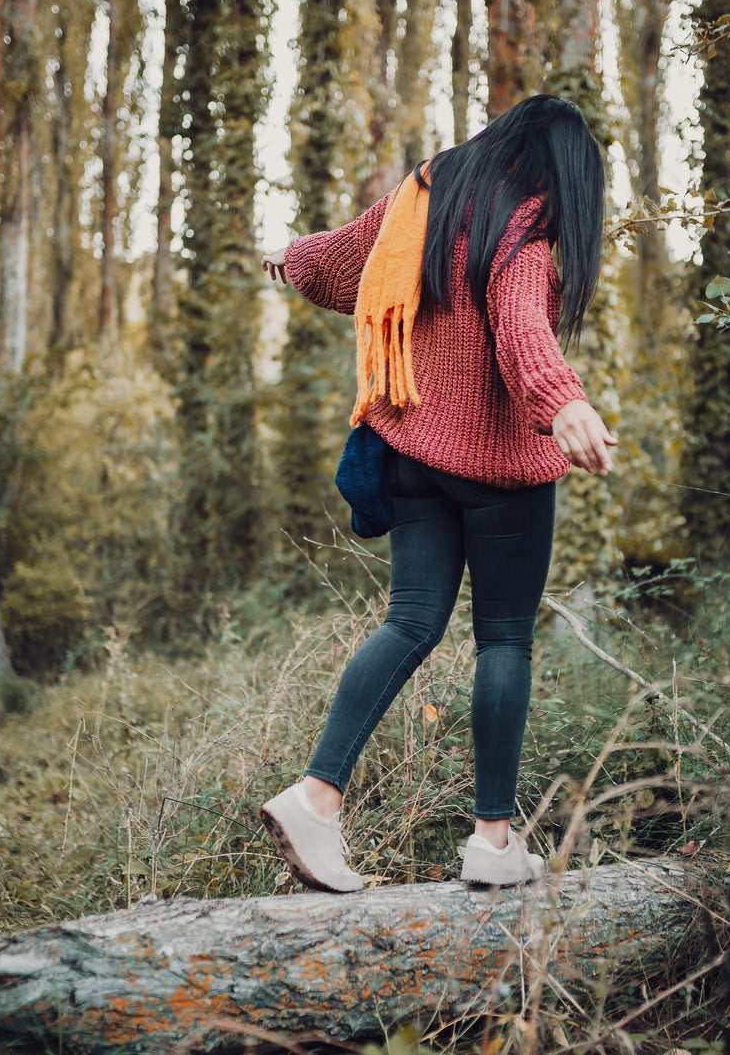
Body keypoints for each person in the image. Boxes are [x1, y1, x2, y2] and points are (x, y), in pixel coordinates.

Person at [257, 94, 617, 892]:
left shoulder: (425, 194)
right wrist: (566, 401)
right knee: (503, 641)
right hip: (497, 472)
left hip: (410, 449)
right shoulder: (520, 229)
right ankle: (492, 843)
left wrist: (291, 254)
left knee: (411, 623)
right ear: (560, 172)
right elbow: (524, 328)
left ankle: (316, 798)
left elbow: (338, 261)